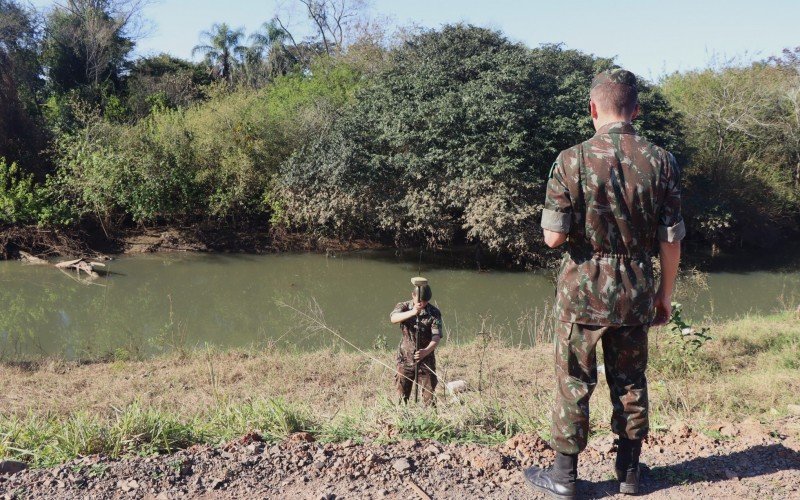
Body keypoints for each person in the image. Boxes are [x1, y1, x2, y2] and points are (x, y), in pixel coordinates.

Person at [524, 68, 684, 499]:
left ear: (592, 108)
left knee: (574, 380)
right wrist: (664, 296)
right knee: (630, 379)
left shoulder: (570, 159)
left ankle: (564, 477)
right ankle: (630, 475)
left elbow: (554, 238)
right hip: (635, 289)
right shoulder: (662, 161)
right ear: (637, 110)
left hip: (582, 292)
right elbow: (671, 241)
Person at [389, 278, 443, 405]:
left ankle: (429, 422)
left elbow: (436, 337)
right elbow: (393, 318)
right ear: (413, 295)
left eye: (425, 301)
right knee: (401, 400)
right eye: (420, 300)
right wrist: (413, 312)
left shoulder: (434, 313)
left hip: (425, 361)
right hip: (405, 361)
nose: (422, 303)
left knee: (429, 400)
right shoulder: (403, 306)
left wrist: (426, 351)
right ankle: (403, 422)